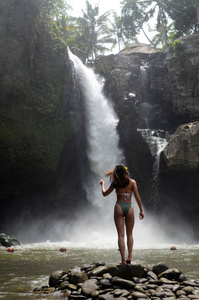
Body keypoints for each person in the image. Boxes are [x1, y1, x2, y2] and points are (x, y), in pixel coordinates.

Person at [100, 164, 144, 264]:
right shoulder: (132, 182)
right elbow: (137, 197)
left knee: (120, 235)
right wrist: (141, 210)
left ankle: (123, 260)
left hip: (119, 206)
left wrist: (102, 184)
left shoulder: (115, 183)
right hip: (129, 207)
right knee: (130, 234)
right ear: (125, 172)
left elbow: (104, 193)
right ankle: (130, 257)